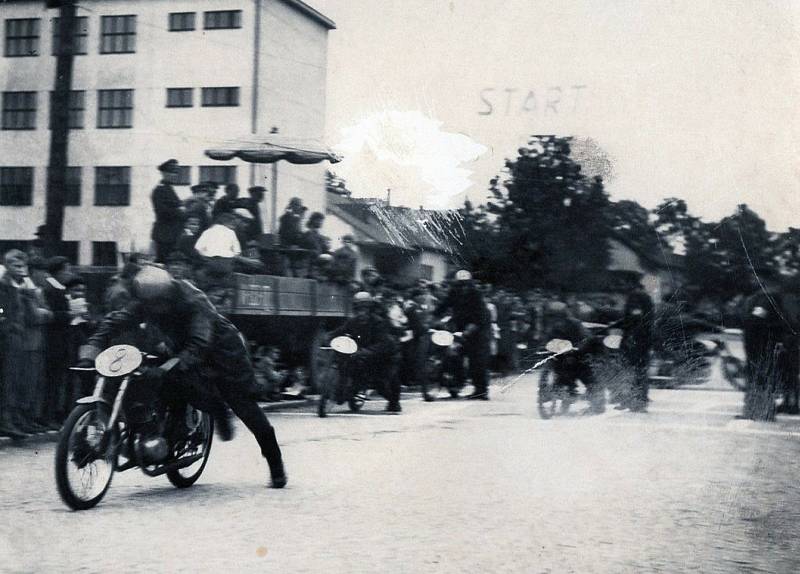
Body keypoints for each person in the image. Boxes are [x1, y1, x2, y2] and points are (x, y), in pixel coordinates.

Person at [76, 265, 287, 488]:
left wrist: (167, 367)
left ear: (167, 295)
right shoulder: (148, 300)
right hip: (179, 346)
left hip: (222, 352)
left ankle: (275, 462)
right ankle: (158, 435)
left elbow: (199, 344)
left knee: (244, 405)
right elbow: (114, 321)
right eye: (148, 304)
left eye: (158, 303)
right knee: (153, 382)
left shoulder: (195, 302)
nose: (154, 309)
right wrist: (90, 352)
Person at [0, 250, 52, 437]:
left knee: (21, 381)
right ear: (6, 265)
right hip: (10, 338)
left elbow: (36, 313)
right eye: (15, 265)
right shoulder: (4, 285)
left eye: (23, 266)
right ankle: (7, 419)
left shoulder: (25, 287)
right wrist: (5, 322)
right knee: (9, 381)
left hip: (21, 339)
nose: (20, 270)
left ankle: (17, 418)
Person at [328, 291, 401, 412]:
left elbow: (384, 344)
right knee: (346, 364)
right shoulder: (352, 322)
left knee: (382, 384)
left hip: (382, 358)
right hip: (360, 355)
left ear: (370, 310)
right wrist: (329, 338)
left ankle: (394, 401)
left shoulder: (379, 323)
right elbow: (339, 331)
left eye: (365, 309)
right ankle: (342, 391)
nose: (362, 313)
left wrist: (365, 351)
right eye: (359, 309)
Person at [741, 269, 798, 420]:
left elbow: (757, 319)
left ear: (762, 279)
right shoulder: (771, 297)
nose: (752, 280)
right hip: (763, 344)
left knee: (760, 377)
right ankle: (762, 410)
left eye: (755, 277)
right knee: (764, 376)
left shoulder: (766, 298)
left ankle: (762, 411)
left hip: (761, 344)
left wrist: (747, 320)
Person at [544, 301, 605, 414]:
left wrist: (578, 348)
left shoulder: (575, 324)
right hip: (562, 355)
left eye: (557, 317)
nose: (555, 320)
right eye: (552, 316)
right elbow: (547, 340)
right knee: (559, 371)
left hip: (580, 354)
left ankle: (598, 404)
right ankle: (563, 392)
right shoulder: (551, 327)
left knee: (588, 376)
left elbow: (586, 338)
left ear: (564, 315)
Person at [42, 256, 73, 428]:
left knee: (56, 381)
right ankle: (49, 416)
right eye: (67, 270)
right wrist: (70, 314)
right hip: (54, 342)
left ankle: (53, 414)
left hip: (60, 341)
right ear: (59, 271)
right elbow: (54, 315)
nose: (69, 273)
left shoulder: (59, 289)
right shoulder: (52, 289)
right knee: (52, 381)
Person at [617, 287, 655, 412]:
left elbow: (633, 320)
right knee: (638, 373)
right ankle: (636, 401)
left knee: (634, 373)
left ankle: (636, 402)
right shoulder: (643, 298)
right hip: (640, 342)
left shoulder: (636, 298)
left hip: (636, 342)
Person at [151, 159, 185, 263]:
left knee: (172, 263)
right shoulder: (160, 190)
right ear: (163, 173)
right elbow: (163, 211)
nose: (174, 175)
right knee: (164, 264)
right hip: (165, 235)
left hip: (172, 234)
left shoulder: (168, 188)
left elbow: (176, 206)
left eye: (175, 172)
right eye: (171, 172)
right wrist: (181, 212)